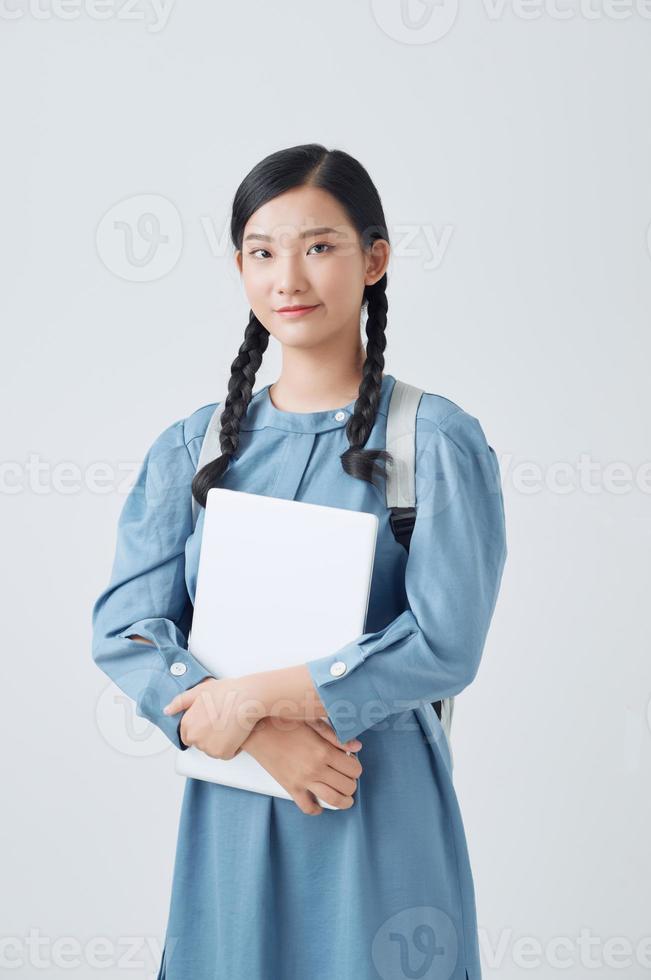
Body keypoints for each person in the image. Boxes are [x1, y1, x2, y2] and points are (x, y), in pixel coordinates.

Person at [91, 143, 508, 980]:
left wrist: (246, 700)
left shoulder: (433, 440)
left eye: (319, 246)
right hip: (232, 811)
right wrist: (255, 737)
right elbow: (125, 630)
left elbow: (446, 645)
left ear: (375, 259)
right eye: (262, 251)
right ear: (240, 266)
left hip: (372, 796)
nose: (288, 278)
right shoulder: (194, 445)